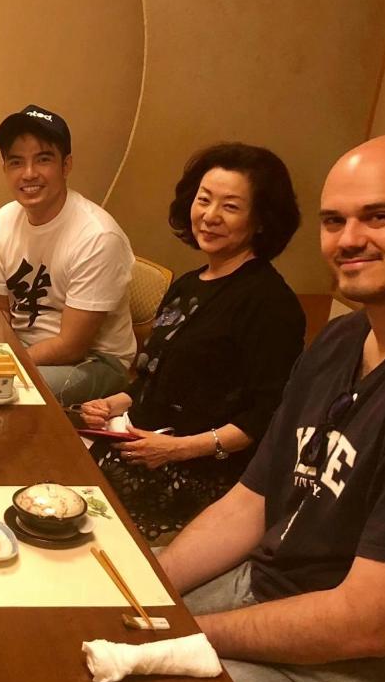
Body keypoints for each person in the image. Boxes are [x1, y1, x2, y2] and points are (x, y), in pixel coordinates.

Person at [154, 134, 385, 682]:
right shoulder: (344, 337)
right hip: (280, 588)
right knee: (68, 624)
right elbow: (251, 501)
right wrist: (149, 589)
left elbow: (366, 624)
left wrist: (182, 637)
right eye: (334, 221)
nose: (349, 239)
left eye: (378, 216)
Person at [79, 143, 306, 542]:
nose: (210, 216)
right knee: (45, 473)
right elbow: (157, 380)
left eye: (231, 207)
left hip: (200, 476)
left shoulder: (271, 304)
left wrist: (177, 449)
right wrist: (111, 405)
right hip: (141, 446)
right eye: (204, 200)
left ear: (261, 220)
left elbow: (267, 417)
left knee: (77, 522)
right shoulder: (188, 285)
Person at [0, 104, 136, 405]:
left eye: (43, 159)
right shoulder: (5, 218)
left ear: (65, 166)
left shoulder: (97, 237)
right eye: (16, 162)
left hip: (95, 362)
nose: (29, 174)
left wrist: (6, 363)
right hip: (27, 347)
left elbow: (72, 346)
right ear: (5, 169)